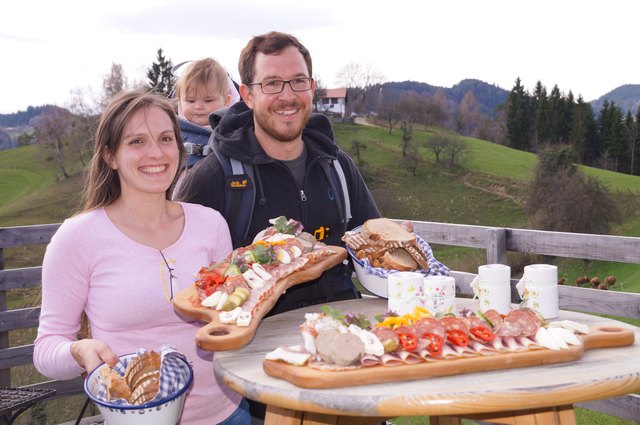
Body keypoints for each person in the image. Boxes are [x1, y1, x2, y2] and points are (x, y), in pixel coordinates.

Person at [33, 90, 250, 425]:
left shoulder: (210, 223)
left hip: (228, 411)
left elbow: (232, 318)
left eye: (165, 138)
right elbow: (47, 350)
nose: (156, 152)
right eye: (136, 142)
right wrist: (79, 352)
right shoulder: (77, 238)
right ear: (110, 155)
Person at [176, 31, 381, 316]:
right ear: (247, 95)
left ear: (311, 87)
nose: (288, 96)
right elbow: (180, 276)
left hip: (340, 328)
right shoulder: (216, 177)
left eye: (298, 81)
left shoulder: (337, 166)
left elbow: (375, 247)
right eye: (272, 83)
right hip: (251, 342)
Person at [173, 57, 239, 169]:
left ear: (226, 101)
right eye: (190, 101)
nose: (199, 107)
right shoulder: (173, 133)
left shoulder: (235, 132)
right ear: (180, 101)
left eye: (208, 100)